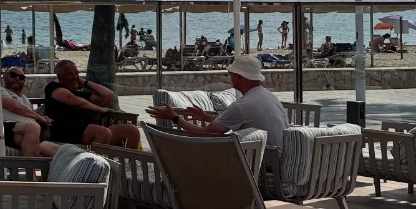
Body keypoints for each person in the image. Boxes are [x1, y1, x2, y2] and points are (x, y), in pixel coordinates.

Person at [145, 54, 288, 151]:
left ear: (239, 77)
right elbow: (233, 120)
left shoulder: (243, 105)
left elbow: (206, 133)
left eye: (231, 74)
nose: (230, 78)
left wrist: (174, 118)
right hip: (277, 158)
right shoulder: (269, 97)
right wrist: (206, 117)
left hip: (264, 163)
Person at [41, 60, 141, 148]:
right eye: (70, 74)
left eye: (76, 73)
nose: (75, 77)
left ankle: (128, 163)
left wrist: (85, 83)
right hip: (68, 132)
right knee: (102, 133)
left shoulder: (83, 95)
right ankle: (93, 163)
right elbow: (77, 102)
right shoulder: (53, 88)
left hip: (94, 132)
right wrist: (99, 109)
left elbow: (109, 95)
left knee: (132, 130)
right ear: (60, 77)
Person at [0, 66, 57, 158]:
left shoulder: (24, 98)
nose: (17, 79)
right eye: (13, 75)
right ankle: (31, 165)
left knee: (57, 150)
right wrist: (39, 118)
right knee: (32, 127)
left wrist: (43, 121)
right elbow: (14, 107)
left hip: (24, 132)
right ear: (4, 76)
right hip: (3, 129)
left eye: (21, 77)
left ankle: (40, 162)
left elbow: (30, 115)